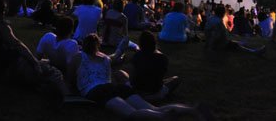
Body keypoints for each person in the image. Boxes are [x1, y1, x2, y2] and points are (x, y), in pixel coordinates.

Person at [66, 33, 208, 119]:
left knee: (132, 114)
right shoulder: (105, 58)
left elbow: (70, 79)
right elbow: (117, 54)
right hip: (114, 87)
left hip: (97, 91)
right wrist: (124, 42)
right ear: (98, 46)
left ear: (83, 45)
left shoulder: (78, 57)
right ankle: (191, 110)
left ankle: (162, 117)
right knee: (153, 108)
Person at [0, 0, 67, 100]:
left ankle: (40, 86)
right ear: (0, 13)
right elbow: (18, 45)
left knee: (44, 63)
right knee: (54, 72)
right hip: (12, 69)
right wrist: (34, 63)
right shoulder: (2, 28)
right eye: (3, 11)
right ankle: (66, 96)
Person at [130, 30, 182, 102]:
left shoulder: (137, 56)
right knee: (176, 79)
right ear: (154, 43)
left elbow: (133, 74)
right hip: (155, 92)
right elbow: (162, 74)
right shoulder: (162, 58)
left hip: (137, 91)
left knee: (121, 73)